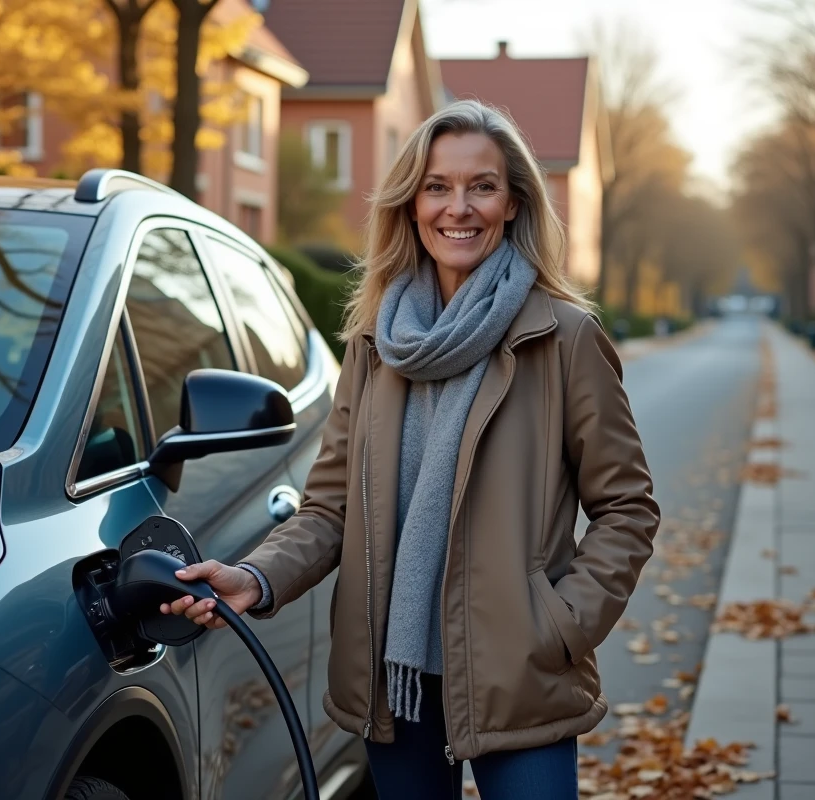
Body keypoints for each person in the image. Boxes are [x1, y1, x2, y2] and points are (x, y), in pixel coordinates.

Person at [160, 99, 660, 799]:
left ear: (513, 202)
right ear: (412, 203)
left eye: (481, 186)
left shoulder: (563, 339)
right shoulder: (375, 345)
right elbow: (330, 510)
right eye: (438, 186)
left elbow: (628, 509)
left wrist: (558, 626)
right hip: (392, 688)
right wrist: (258, 577)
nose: (459, 207)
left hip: (521, 678)